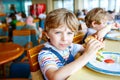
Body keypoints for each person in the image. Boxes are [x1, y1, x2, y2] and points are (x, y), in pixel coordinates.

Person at [38, 8, 104, 80]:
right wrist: (86, 55)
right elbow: (54, 77)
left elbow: (86, 48)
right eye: (58, 32)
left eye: (69, 33)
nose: (64, 38)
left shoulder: (70, 47)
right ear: (47, 34)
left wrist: (96, 45)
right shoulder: (45, 54)